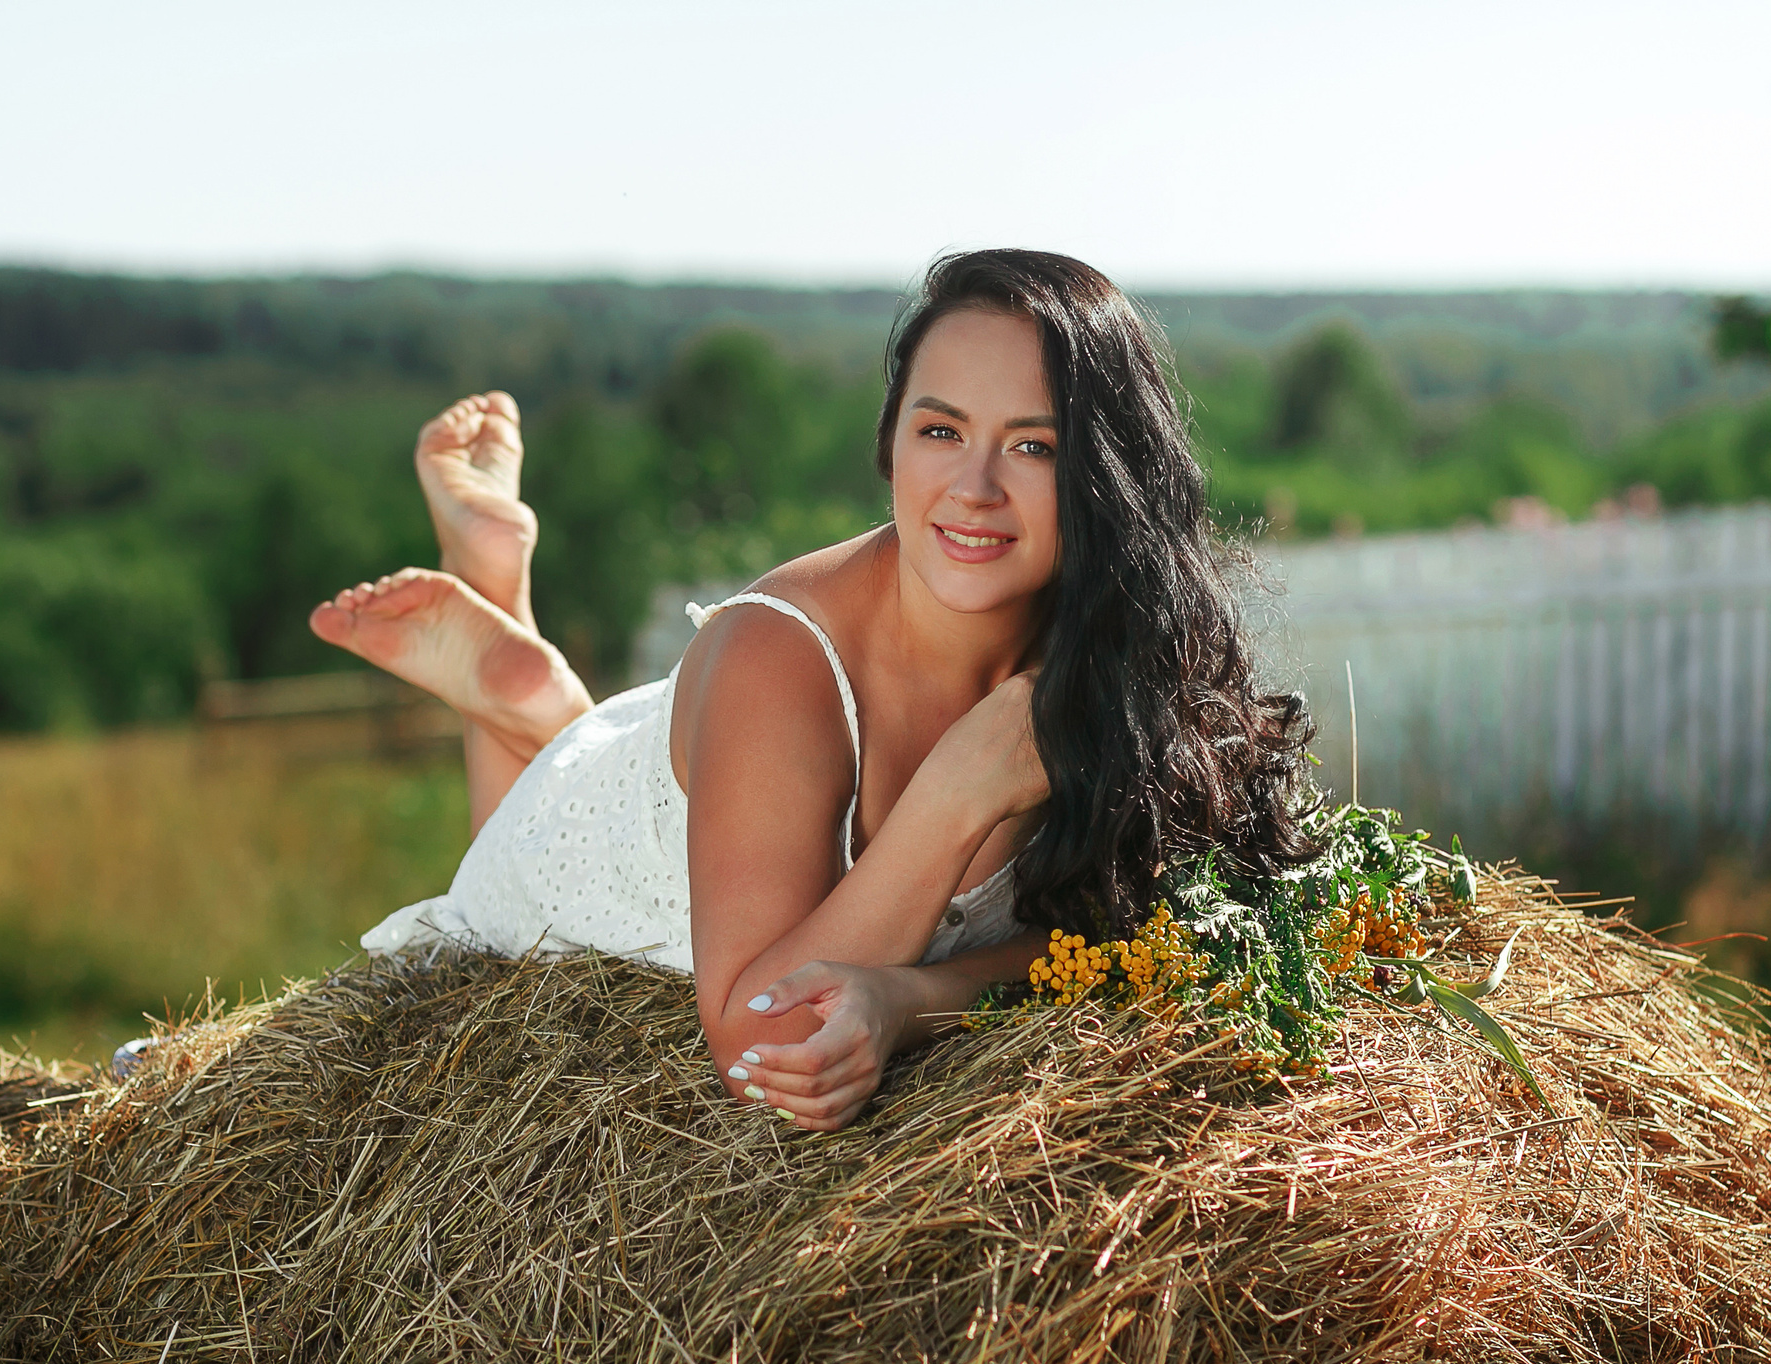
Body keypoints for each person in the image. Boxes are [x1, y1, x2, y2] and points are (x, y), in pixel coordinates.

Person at [311, 250, 1315, 1130]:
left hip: (721, 777)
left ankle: (528, 691)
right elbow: (759, 1042)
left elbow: (1121, 935)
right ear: (889, 441)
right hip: (595, 846)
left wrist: (907, 999)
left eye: (1032, 446)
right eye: (939, 431)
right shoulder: (777, 651)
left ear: (1106, 473)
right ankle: (506, 637)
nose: (973, 488)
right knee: (504, 905)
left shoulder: (1111, 642)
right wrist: (960, 789)